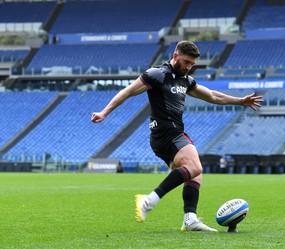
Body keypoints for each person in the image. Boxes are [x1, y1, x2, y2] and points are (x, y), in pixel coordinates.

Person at [91, 40, 263, 232]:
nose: (189, 67)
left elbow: (213, 96)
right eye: (186, 62)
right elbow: (128, 91)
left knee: (195, 172)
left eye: (192, 64)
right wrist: (104, 112)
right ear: (175, 56)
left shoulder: (185, 80)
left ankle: (190, 219)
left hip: (171, 134)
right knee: (195, 166)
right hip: (165, 132)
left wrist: (240, 101)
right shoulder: (157, 74)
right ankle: (148, 201)